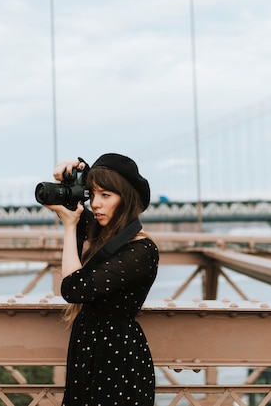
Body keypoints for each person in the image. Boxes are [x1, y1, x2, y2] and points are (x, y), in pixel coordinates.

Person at [45, 153, 159, 406]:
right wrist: (65, 181)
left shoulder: (140, 251)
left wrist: (68, 227)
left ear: (126, 199)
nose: (95, 204)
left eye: (106, 195)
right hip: (88, 348)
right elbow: (71, 210)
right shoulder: (105, 235)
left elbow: (74, 289)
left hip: (117, 356)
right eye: (92, 194)